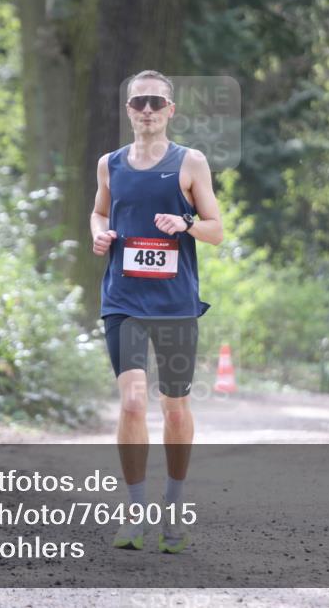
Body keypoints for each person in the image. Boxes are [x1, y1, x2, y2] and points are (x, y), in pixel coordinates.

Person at [90, 70, 223, 553]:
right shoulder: (110, 164)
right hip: (122, 298)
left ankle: (174, 506)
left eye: (156, 102)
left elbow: (216, 229)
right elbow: (100, 211)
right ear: (128, 110)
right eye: (138, 102)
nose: (147, 109)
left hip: (174, 303)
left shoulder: (191, 162)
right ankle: (134, 512)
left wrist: (186, 223)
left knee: (173, 408)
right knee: (130, 402)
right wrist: (98, 233)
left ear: (170, 110)